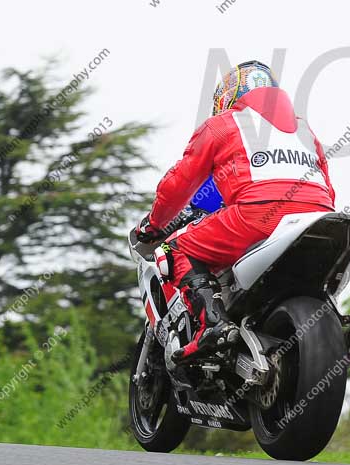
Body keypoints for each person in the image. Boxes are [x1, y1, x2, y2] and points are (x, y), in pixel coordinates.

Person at [135, 60, 336, 364]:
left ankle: (212, 327)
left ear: (228, 97)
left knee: (173, 248)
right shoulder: (306, 131)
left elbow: (179, 184)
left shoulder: (223, 124)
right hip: (321, 216)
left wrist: (153, 226)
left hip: (257, 216)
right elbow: (329, 189)